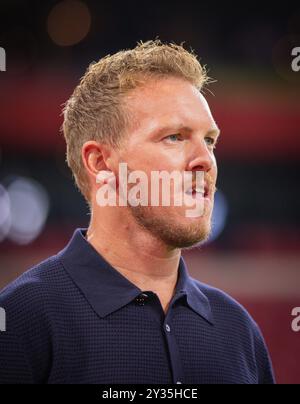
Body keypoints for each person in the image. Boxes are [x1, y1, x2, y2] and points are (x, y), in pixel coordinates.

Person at [0, 40, 275, 384]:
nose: (206, 160)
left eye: (209, 140)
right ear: (100, 163)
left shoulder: (239, 331)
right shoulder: (21, 319)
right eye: (175, 136)